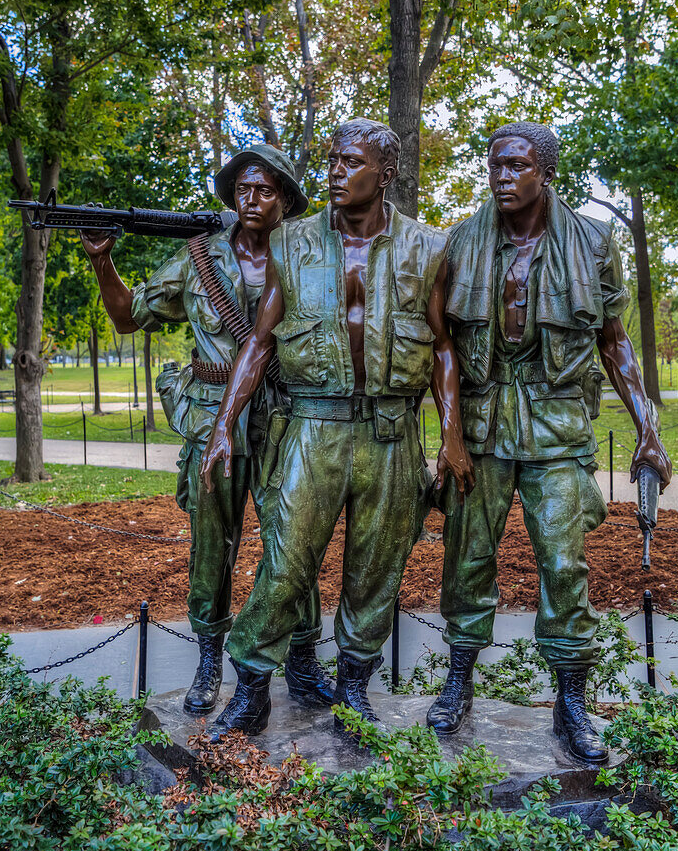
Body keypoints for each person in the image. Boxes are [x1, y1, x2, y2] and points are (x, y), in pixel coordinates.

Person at [201, 117, 475, 740]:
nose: (334, 171)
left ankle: (354, 689)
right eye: (331, 160)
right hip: (312, 426)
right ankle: (250, 691)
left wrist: (451, 436)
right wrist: (224, 424)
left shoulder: (428, 248)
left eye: (350, 162)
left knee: (378, 566)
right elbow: (260, 343)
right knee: (286, 561)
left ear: (387, 174)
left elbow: (442, 348)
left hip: (391, 432)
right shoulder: (291, 242)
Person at [431, 121, 672, 761]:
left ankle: (570, 699)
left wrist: (647, 425)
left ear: (545, 172)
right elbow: (443, 346)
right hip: (482, 425)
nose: (502, 178)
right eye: (494, 167)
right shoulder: (460, 242)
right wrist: (450, 436)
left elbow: (613, 339)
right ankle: (459, 681)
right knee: (469, 554)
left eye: (516, 167)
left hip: (558, 420)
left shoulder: (592, 244)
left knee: (565, 565)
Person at [79, 145, 333, 715]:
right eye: (242, 189)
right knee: (211, 547)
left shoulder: (308, 257)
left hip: (284, 418)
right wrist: (102, 261)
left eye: (265, 190)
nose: (251, 199)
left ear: (286, 201)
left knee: (293, 543)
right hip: (209, 420)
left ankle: (303, 658)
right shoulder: (198, 258)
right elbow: (126, 317)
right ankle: (209, 658)